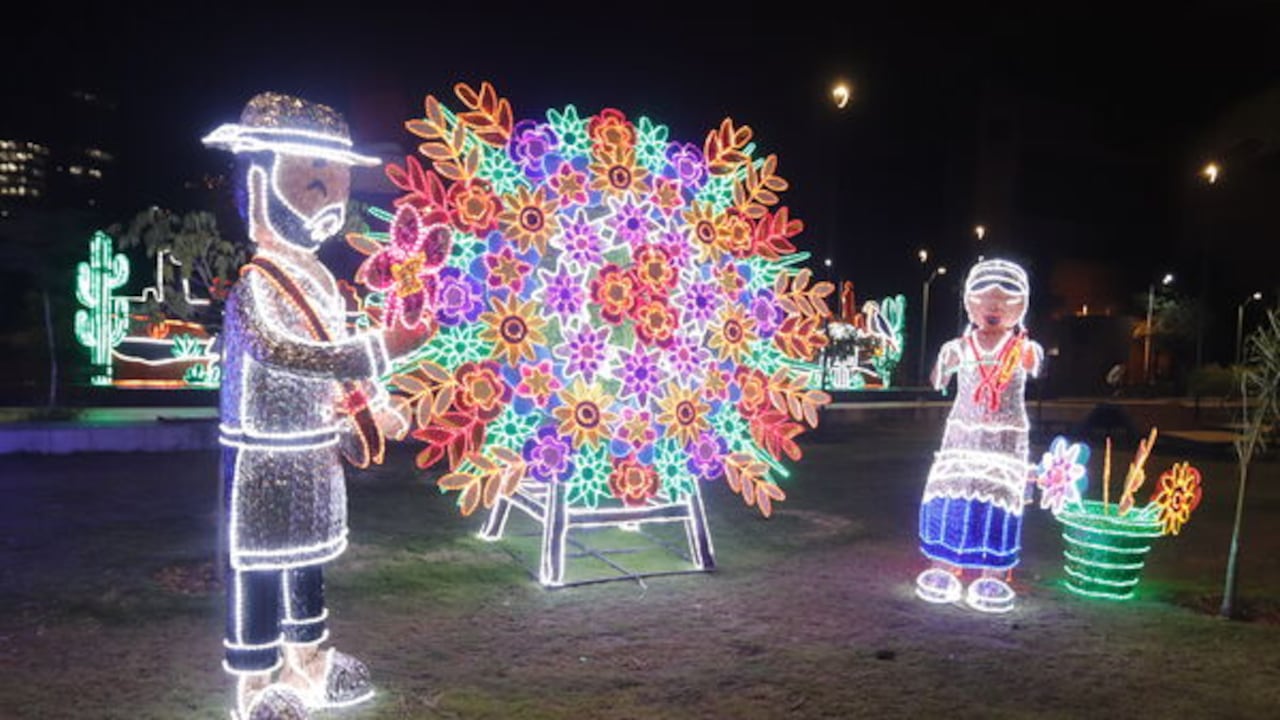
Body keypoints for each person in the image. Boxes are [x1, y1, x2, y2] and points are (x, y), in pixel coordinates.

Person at [205, 92, 424, 719]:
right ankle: (257, 681)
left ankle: (311, 661)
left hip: (315, 453)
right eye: (311, 182)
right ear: (259, 180)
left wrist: (377, 406)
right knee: (260, 572)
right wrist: (379, 351)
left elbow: (334, 349)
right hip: (264, 455)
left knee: (310, 564)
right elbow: (284, 352)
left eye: (337, 185)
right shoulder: (254, 286)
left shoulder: (325, 281)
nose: (328, 203)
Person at [914, 258, 1044, 612]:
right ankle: (943, 565)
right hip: (962, 439)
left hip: (1005, 443)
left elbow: (1037, 368)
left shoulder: (1025, 350)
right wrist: (943, 363)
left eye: (1006, 300)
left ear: (1022, 305)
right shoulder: (957, 348)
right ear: (970, 302)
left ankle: (993, 574)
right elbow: (938, 381)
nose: (994, 307)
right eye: (985, 298)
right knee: (951, 497)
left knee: (997, 502)